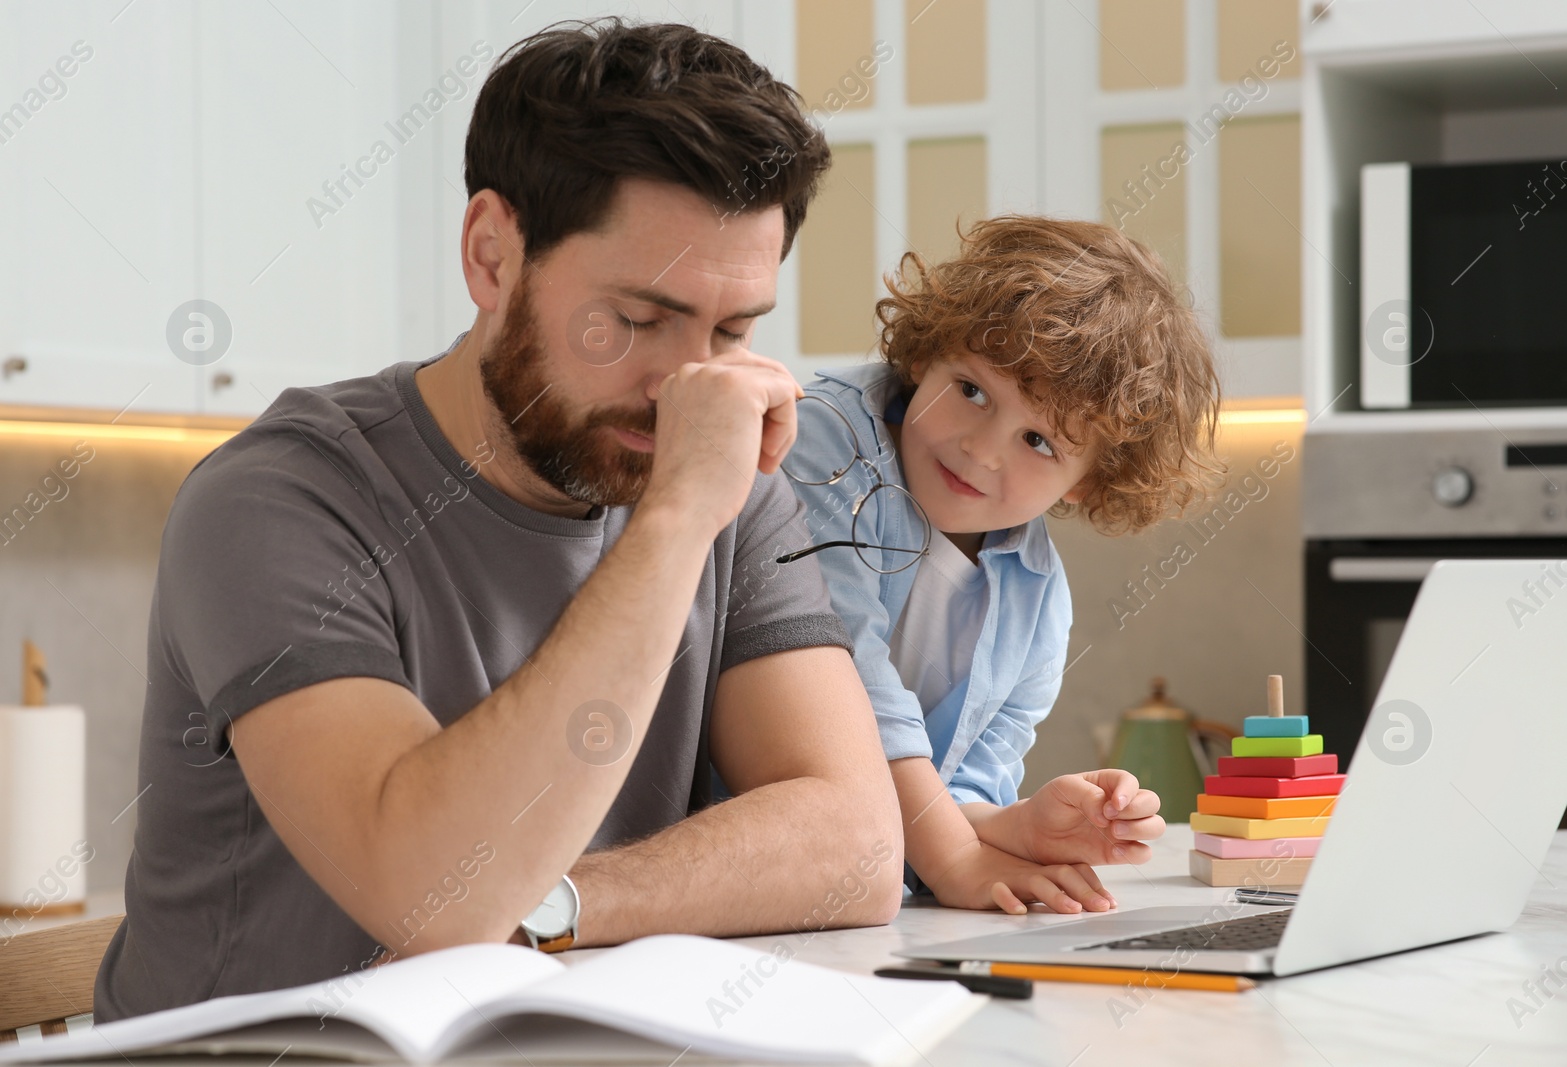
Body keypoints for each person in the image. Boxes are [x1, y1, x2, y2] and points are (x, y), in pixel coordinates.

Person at [94, 19, 904, 1020]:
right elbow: (432, 893)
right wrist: (676, 517)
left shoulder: (725, 485)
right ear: (491, 255)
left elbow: (856, 847)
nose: (689, 383)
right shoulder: (278, 498)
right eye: (640, 320)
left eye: (731, 330)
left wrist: (560, 903)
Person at [785, 216, 1225, 914]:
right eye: (972, 390)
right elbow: (844, 682)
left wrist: (1018, 826)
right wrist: (959, 857)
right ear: (926, 352)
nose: (983, 450)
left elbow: (956, 791)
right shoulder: (823, 440)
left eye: (1039, 441)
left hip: (849, 903)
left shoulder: (1039, 600)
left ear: (1086, 480)